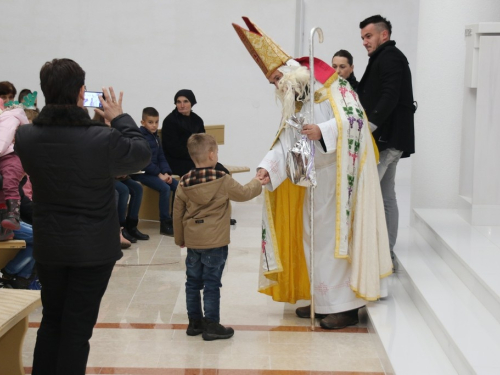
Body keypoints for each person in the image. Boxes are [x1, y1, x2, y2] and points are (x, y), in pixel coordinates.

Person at [233, 17, 392, 329]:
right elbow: (288, 141)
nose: (273, 84)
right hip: (312, 183)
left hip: (338, 180)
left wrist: (323, 130)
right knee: (313, 242)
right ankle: (322, 300)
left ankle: (345, 307)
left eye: (276, 77)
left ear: (292, 72)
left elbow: (356, 123)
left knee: (335, 244)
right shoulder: (297, 99)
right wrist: (269, 167)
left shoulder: (336, 87)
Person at [14, 58, 151, 375]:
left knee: (52, 322)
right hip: (92, 250)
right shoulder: (103, 139)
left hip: (49, 245)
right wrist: (119, 119)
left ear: (45, 92)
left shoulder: (26, 136)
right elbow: (141, 153)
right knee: (76, 330)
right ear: (81, 92)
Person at [173, 133, 264, 340]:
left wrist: (180, 239)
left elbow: (177, 213)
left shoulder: (183, 182)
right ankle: (212, 324)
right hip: (215, 242)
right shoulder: (222, 180)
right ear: (212, 155)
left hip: (193, 241)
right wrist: (257, 181)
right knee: (212, 284)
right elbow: (244, 193)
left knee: (192, 282)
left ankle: (194, 323)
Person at [357, 15, 415, 260]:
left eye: (368, 36)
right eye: (362, 38)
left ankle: (379, 253)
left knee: (367, 193)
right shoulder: (384, 57)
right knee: (385, 194)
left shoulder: (389, 56)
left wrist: (368, 126)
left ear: (384, 35)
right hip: (390, 139)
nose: (364, 42)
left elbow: (390, 96)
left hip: (386, 139)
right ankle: (385, 251)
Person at [131, 107, 178, 236]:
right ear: (143, 122)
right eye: (150, 122)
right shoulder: (140, 137)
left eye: (156, 122)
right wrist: (159, 174)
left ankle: (176, 219)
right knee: (164, 188)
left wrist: (166, 172)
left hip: (156, 173)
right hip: (142, 173)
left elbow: (161, 157)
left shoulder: (156, 137)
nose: (154, 125)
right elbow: (144, 162)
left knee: (178, 186)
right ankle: (165, 222)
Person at [0, 97, 29, 230]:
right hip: (4, 156)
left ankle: (13, 214)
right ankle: (5, 227)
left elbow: (3, 141)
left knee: (9, 180)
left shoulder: (8, 118)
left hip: (12, 156)